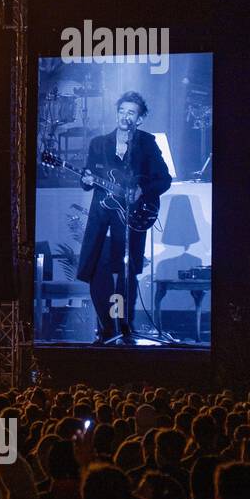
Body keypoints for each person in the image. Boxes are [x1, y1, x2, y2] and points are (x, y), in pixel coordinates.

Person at [77, 91, 172, 342]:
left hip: (130, 218)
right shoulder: (99, 143)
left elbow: (164, 179)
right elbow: (89, 178)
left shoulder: (147, 143)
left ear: (139, 119)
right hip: (101, 216)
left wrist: (143, 189)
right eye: (122, 111)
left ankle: (125, 324)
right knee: (97, 270)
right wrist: (86, 180)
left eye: (131, 113)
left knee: (126, 271)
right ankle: (106, 328)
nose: (125, 116)